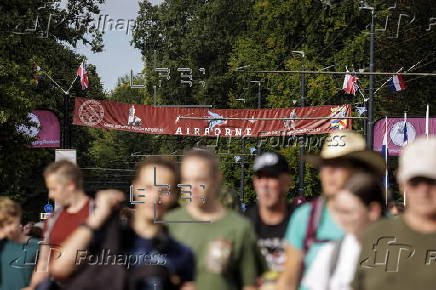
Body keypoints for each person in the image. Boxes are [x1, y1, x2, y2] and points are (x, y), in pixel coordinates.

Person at [51, 156, 195, 290]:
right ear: (136, 188)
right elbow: (60, 268)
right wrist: (97, 218)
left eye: (164, 190)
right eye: (148, 188)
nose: (155, 197)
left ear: (175, 195)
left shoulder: (180, 253)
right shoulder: (107, 236)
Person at [277, 130, 386, 290]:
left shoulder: (381, 219)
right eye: (325, 165)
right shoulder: (306, 217)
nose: (329, 172)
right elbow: (288, 280)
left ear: (358, 170)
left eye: (338, 165)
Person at [164, 148, 266, 290]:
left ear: (217, 178)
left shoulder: (240, 227)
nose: (191, 187)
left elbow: (250, 284)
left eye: (200, 180)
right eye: (186, 180)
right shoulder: (168, 224)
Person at [353, 136, 436, 290]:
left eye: (432, 181)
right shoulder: (375, 234)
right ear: (402, 184)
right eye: (415, 182)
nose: (424, 191)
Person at [302, 173, 385, 290]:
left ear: (373, 211)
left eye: (348, 212)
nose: (341, 220)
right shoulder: (331, 253)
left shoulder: (401, 252)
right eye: (339, 211)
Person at [24, 160, 93, 290]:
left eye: (53, 188)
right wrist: (32, 287)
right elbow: (44, 262)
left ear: (70, 185)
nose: (51, 194)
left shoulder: (96, 212)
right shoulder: (52, 219)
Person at [244, 152, 294, 288]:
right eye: (260, 177)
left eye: (272, 177)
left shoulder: (302, 221)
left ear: (287, 182)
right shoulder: (243, 224)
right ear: (254, 182)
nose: (265, 184)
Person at [0, 197, 40, 290]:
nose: (8, 229)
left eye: (10, 223)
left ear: (18, 216)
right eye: (2, 225)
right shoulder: (2, 245)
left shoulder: (37, 246)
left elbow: (42, 281)